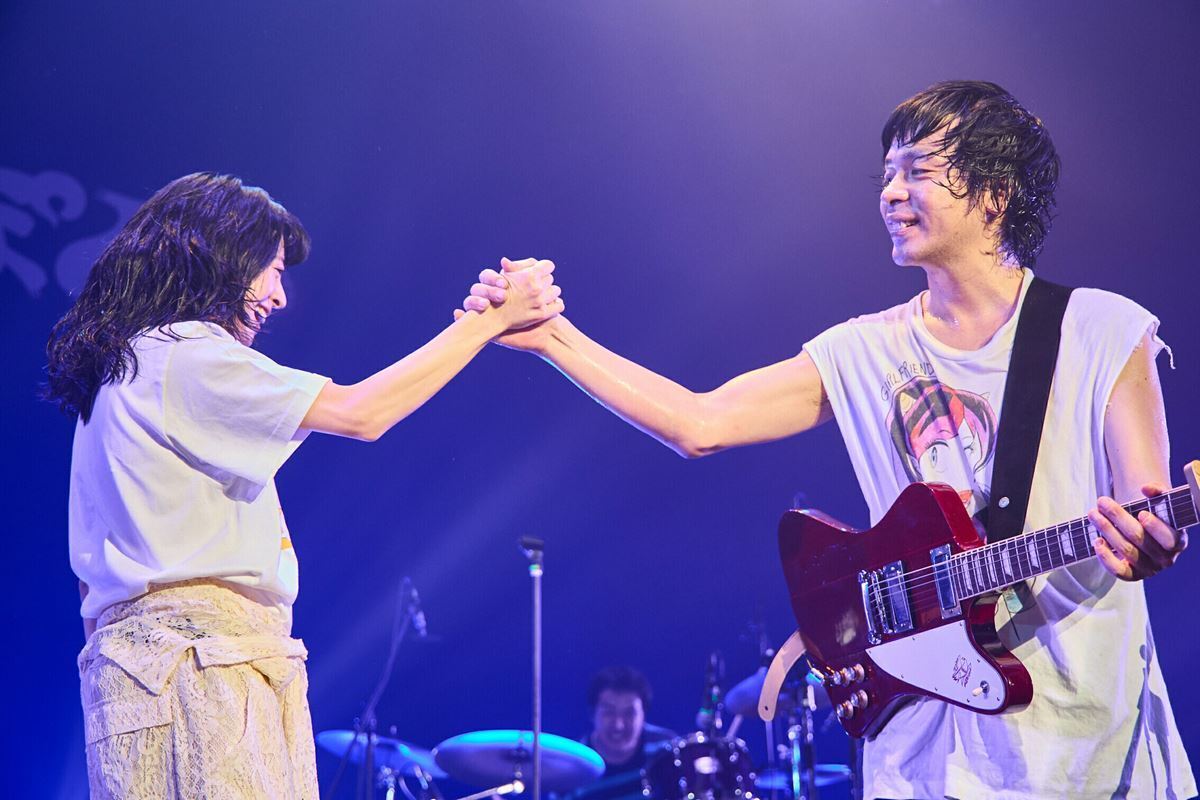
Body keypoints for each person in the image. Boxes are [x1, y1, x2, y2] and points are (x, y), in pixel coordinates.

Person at [459, 82, 1195, 799]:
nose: (890, 194)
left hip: (1087, 751)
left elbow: (1147, 505)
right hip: (922, 761)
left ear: (995, 194)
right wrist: (552, 337)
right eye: (887, 175)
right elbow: (699, 423)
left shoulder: (1103, 330)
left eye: (918, 172)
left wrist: (1150, 539)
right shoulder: (860, 351)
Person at [44, 172, 562, 799]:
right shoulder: (184, 353)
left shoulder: (121, 371)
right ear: (222, 257)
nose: (280, 297)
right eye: (272, 270)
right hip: (205, 674)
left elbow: (90, 583)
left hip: (140, 678)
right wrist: (487, 322)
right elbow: (363, 413)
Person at [585, 666, 675, 778]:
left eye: (629, 713)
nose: (619, 725)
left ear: (644, 715)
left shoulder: (667, 749)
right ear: (592, 714)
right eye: (609, 712)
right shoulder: (577, 761)